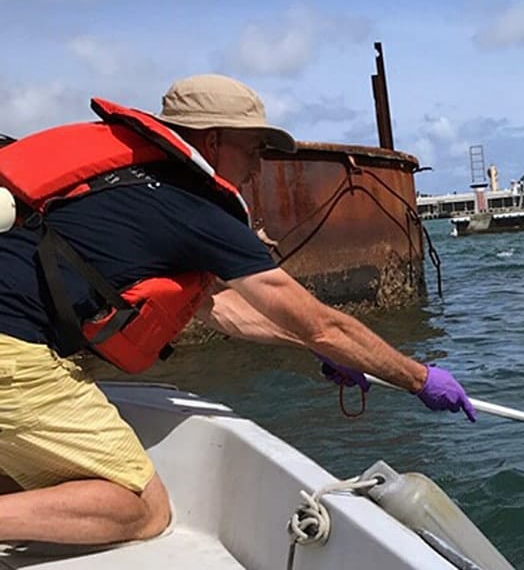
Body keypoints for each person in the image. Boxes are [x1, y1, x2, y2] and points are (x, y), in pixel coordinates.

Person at [0, 74, 474, 546]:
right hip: (13, 352)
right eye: (253, 150)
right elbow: (320, 321)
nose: (257, 168)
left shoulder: (123, 185)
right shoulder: (196, 207)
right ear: (214, 140)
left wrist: (315, 349)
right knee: (143, 508)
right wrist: (417, 379)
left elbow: (214, 308)